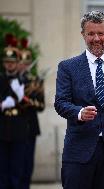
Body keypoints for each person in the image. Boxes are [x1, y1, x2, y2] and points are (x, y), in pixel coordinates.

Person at [54, 10, 104, 189]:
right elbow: (60, 103)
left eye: (100, 33)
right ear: (83, 35)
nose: (96, 38)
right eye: (91, 34)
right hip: (78, 152)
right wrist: (80, 112)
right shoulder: (68, 67)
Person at [0, 38, 28, 189]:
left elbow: (28, 105)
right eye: (7, 61)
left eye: (12, 61)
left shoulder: (24, 80)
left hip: (19, 129)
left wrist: (20, 94)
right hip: (2, 129)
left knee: (17, 171)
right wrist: (4, 103)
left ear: (17, 63)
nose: (9, 64)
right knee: (2, 171)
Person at [18, 39, 45, 189]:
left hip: (29, 126)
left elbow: (40, 105)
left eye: (26, 62)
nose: (23, 65)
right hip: (12, 125)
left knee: (27, 163)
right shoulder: (10, 80)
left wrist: (28, 101)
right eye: (21, 62)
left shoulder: (35, 81)